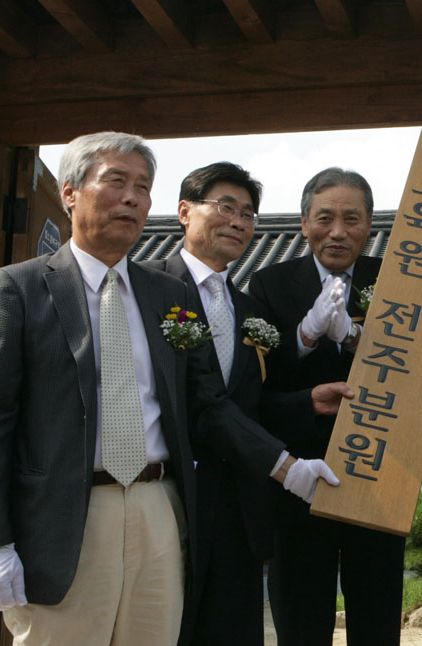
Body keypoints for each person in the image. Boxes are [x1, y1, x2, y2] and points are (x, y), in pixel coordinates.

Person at [0, 132, 215, 645]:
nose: (132, 198)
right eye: (116, 181)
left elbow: (205, 402)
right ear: (70, 192)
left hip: (156, 505)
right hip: (62, 518)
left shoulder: (170, 293)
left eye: (143, 187)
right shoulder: (17, 288)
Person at [146, 162, 348, 645]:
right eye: (226, 207)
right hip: (165, 497)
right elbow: (197, 402)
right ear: (183, 212)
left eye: (249, 214)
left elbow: (253, 406)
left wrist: (307, 403)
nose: (239, 221)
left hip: (239, 510)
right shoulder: (144, 287)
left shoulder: (251, 312)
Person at [248, 167, 404, 645]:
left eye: (352, 219)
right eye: (325, 217)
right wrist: (305, 336)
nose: (337, 232)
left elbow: (415, 363)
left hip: (379, 468)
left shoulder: (394, 280)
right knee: (300, 615)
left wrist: (357, 338)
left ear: (370, 224)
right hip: (299, 475)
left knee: (376, 613)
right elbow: (256, 387)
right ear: (303, 222)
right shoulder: (269, 284)